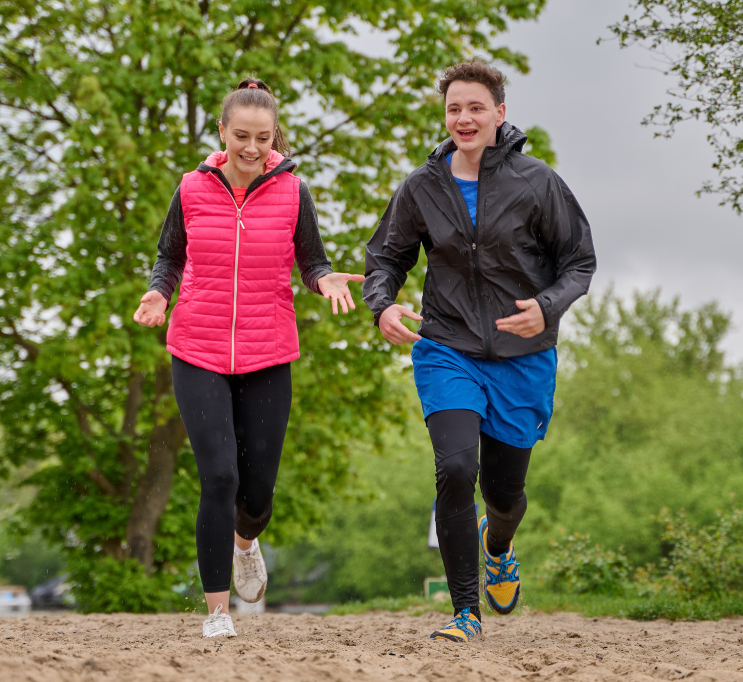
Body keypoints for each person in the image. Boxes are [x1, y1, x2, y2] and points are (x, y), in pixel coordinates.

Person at [363, 62, 596, 643]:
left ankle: (500, 544)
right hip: (448, 347)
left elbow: (579, 263)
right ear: (445, 116)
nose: (463, 118)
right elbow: (387, 259)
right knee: (455, 468)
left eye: (475, 107)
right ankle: (466, 611)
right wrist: (383, 304)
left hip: (522, 355)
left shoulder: (537, 181)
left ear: (500, 112)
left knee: (504, 493)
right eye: (453, 109)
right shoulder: (423, 186)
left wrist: (547, 305)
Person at [134, 78, 364, 639]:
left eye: (263, 138)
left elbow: (312, 260)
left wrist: (324, 277)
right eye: (242, 136)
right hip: (198, 349)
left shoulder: (292, 191)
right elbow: (170, 256)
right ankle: (217, 613)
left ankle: (246, 542)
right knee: (218, 476)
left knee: (256, 492)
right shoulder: (191, 188)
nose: (253, 148)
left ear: (274, 137)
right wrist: (159, 293)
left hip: (267, 352)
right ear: (222, 132)